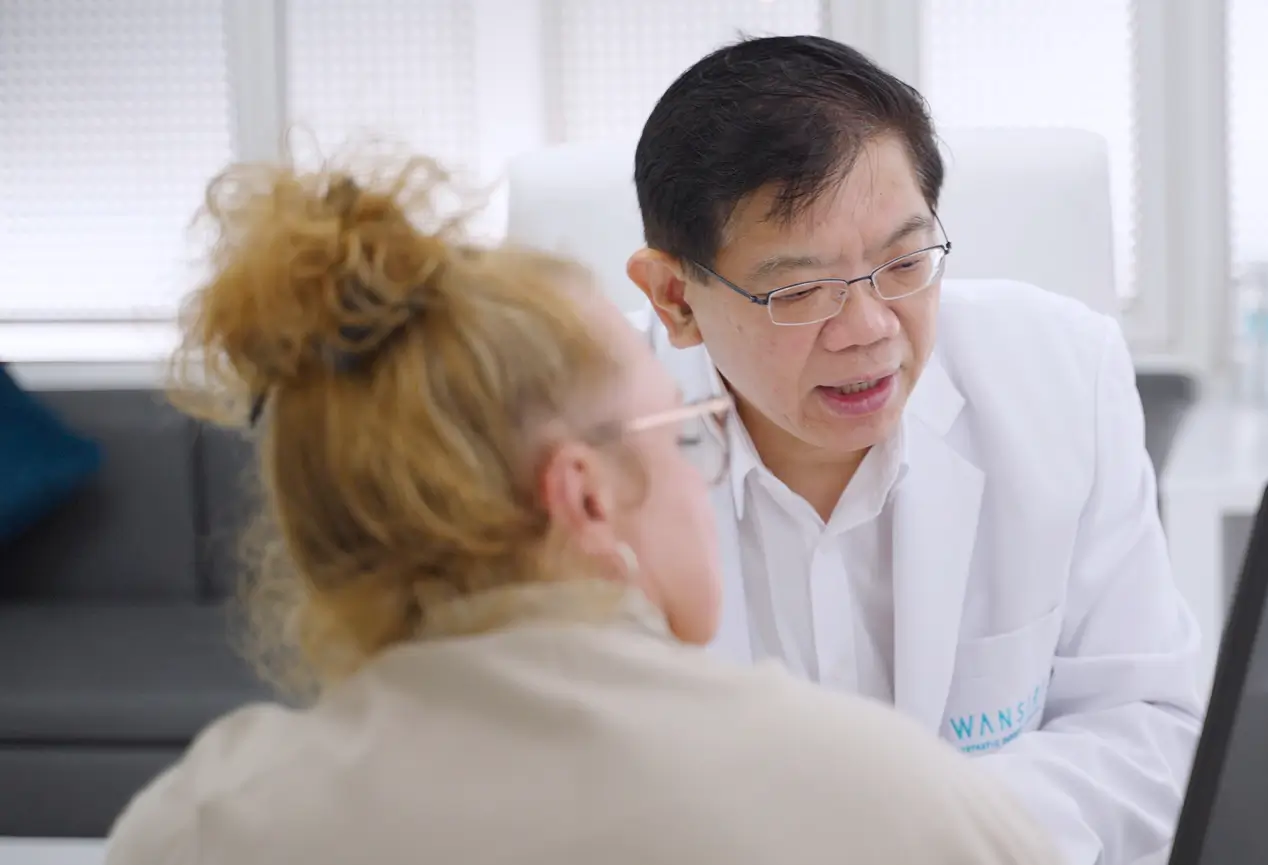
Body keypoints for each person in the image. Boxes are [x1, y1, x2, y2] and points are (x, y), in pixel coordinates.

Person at [101, 153, 1061, 865]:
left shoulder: (197, 825)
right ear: (586, 497)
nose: (703, 469)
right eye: (683, 434)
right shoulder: (889, 803)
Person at [625, 34, 1205, 865]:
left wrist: (914, 833)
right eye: (801, 290)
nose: (869, 330)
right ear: (676, 298)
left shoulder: (1062, 376)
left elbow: (1152, 728)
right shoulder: (578, 455)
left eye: (904, 263)